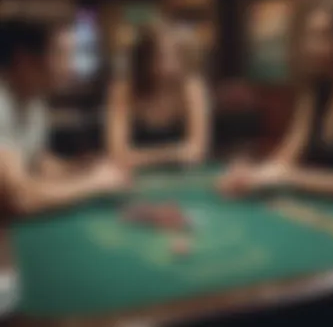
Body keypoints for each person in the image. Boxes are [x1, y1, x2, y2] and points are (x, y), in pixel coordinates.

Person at [218, 0, 333, 200]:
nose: (310, 45)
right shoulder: (317, 89)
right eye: (310, 34)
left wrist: (291, 178)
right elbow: (285, 159)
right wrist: (252, 175)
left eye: (324, 35)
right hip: (324, 209)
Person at [0, 18, 129, 217]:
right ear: (23, 60)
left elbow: (37, 163)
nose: (70, 67)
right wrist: (94, 183)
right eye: (60, 55)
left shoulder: (33, 99)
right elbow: (20, 199)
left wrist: (78, 167)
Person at [106, 21, 210, 169]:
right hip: (133, 180)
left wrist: (140, 156)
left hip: (182, 176)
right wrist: (177, 153)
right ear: (144, 57)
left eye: (175, 55)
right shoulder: (123, 89)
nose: (168, 64)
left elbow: (197, 152)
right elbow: (118, 155)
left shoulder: (192, 87)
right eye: (160, 55)